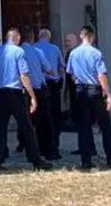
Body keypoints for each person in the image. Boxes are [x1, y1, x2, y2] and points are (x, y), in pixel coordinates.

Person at [0, 27, 52, 172]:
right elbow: (24, 75)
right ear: (17, 38)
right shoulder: (18, 51)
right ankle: (36, 160)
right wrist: (32, 96)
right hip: (14, 92)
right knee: (26, 127)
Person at [67, 25, 111, 170]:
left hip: (80, 90)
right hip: (94, 90)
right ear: (92, 37)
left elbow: (71, 74)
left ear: (81, 36)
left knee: (83, 126)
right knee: (105, 124)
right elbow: (101, 75)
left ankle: (86, 160)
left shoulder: (73, 53)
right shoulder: (96, 53)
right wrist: (108, 94)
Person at [21, 26, 58, 160]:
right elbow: (49, 70)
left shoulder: (18, 52)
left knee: (28, 122)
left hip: (24, 91)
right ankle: (47, 150)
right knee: (45, 122)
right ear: (32, 37)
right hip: (39, 90)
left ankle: (30, 150)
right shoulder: (37, 52)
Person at [35, 28, 65, 156]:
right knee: (54, 115)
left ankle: (38, 145)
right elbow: (61, 67)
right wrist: (60, 81)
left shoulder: (33, 49)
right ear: (49, 37)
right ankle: (54, 144)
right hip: (53, 84)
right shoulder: (55, 49)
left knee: (39, 117)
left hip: (40, 85)